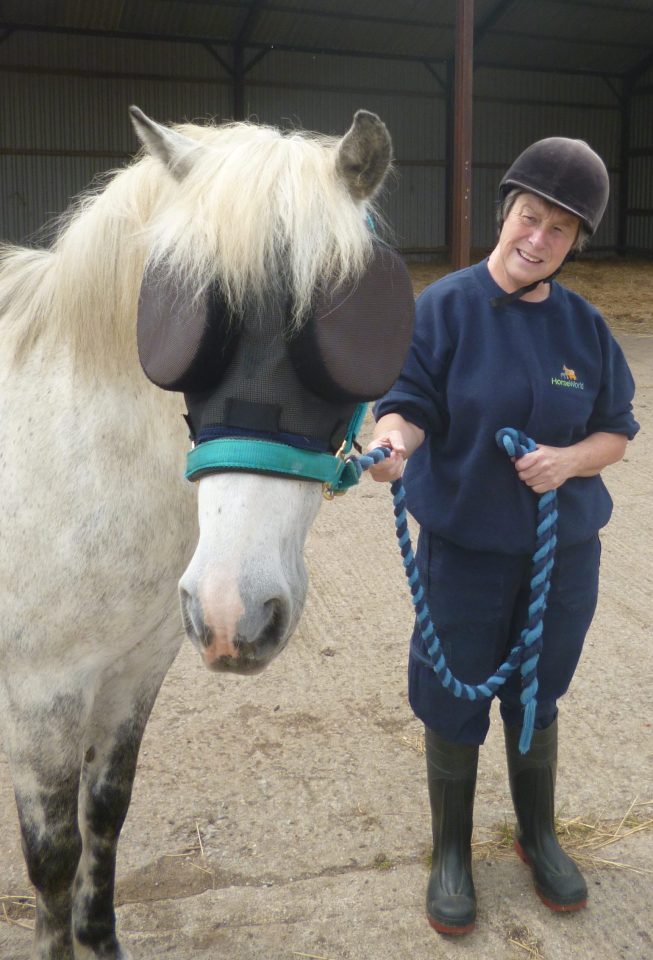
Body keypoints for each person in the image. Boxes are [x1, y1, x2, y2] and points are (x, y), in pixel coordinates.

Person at [367, 138, 639, 936]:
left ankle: (537, 835)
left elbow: (615, 432)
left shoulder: (586, 329)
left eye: (559, 230)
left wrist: (567, 463)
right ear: (505, 212)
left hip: (563, 559)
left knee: (537, 692)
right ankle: (451, 851)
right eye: (530, 217)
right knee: (453, 694)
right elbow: (406, 405)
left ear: (574, 243)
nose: (538, 238)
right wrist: (391, 448)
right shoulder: (442, 308)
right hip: (466, 555)